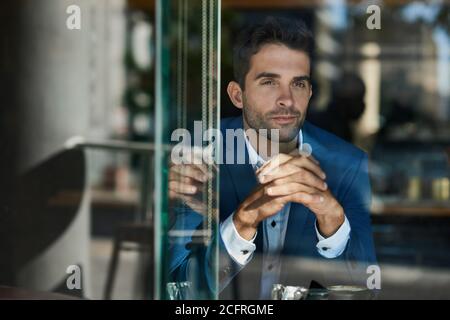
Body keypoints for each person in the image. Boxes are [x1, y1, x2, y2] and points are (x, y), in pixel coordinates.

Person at [168, 17, 377, 299]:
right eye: (269, 82)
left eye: (298, 84)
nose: (287, 100)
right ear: (237, 95)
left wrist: (332, 220)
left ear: (310, 92)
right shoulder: (202, 156)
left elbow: (368, 288)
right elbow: (180, 292)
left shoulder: (347, 163)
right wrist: (242, 223)